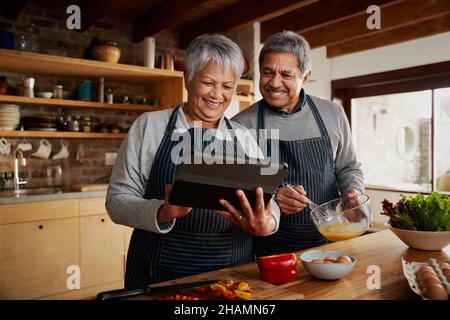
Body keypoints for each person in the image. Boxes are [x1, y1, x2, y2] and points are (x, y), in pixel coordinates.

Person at [106, 34, 280, 289]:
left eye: (227, 86)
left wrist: (268, 223)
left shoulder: (243, 136)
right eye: (208, 82)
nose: (217, 95)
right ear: (188, 76)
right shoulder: (150, 126)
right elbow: (117, 200)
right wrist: (162, 211)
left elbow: (268, 202)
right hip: (161, 272)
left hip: (233, 275)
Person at [232, 31, 365, 256]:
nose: (275, 83)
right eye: (268, 72)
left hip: (330, 243)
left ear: (305, 76)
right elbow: (237, 189)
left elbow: (348, 167)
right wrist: (272, 198)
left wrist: (354, 192)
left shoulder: (332, 114)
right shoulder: (241, 125)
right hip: (268, 250)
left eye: (286, 74)